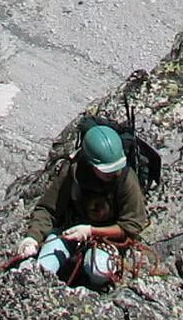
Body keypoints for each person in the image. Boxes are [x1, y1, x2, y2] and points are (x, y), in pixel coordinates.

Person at [15, 124, 146, 289]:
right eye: (106, 170)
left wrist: (91, 231)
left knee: (99, 270)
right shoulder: (73, 172)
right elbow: (48, 209)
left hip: (107, 240)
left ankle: (94, 290)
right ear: (91, 164)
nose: (114, 173)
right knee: (43, 268)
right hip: (69, 232)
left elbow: (131, 226)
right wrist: (32, 238)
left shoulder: (127, 180)